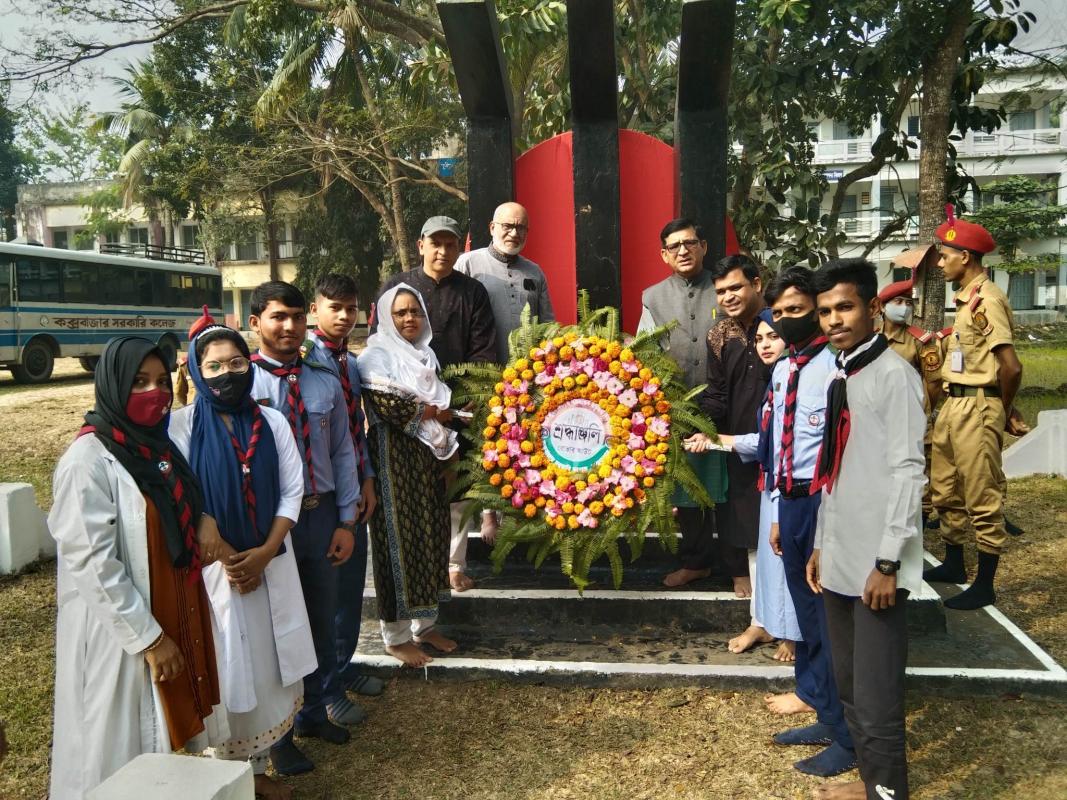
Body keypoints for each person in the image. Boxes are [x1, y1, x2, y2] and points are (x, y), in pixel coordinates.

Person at [48, 336, 228, 799]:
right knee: (115, 749)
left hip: (172, 603)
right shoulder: (87, 462)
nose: (155, 393)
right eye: (139, 382)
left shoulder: (157, 449)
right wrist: (149, 638)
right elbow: (92, 563)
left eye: (162, 381)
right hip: (123, 634)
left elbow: (176, 503)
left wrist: (203, 518)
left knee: (159, 740)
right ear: (112, 385)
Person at [171, 318, 316, 800]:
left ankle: (257, 770)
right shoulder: (181, 426)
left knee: (268, 666)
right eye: (214, 366)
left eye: (236, 363)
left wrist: (266, 553)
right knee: (229, 664)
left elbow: (292, 490)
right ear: (197, 371)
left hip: (271, 563)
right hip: (218, 572)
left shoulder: (272, 422)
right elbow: (181, 497)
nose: (226, 374)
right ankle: (231, 774)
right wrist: (232, 558)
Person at [806, 258, 926, 800]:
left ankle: (887, 791)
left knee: (877, 691)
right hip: (840, 552)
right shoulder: (844, 371)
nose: (834, 319)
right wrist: (820, 544)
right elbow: (837, 472)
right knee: (851, 681)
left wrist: (888, 561)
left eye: (845, 307)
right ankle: (870, 778)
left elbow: (908, 472)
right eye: (825, 311)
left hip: (877, 562)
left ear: (873, 307)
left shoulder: (893, 376)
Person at [248, 281, 361, 776]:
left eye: (296, 317)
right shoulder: (244, 383)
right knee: (277, 626)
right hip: (273, 522)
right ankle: (279, 735)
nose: (290, 327)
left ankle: (313, 713)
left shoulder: (323, 380)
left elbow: (343, 452)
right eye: (278, 317)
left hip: (322, 515)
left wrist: (347, 519)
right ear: (256, 323)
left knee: (320, 616)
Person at [762, 267, 856, 778]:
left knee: (828, 616)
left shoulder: (836, 367)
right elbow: (782, 444)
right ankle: (820, 705)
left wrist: (824, 520)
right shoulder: (784, 368)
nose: (785, 321)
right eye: (778, 313)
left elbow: (839, 449)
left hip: (824, 501)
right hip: (792, 502)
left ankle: (847, 732)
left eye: (796, 310)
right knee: (806, 614)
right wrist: (780, 508)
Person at [378, 216, 497, 592]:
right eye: (436, 243)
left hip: (458, 408)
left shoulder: (472, 292)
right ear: (421, 246)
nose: (443, 251)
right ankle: (417, 566)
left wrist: (466, 402)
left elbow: (483, 351)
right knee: (412, 492)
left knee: (456, 492)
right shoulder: (397, 288)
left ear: (458, 247)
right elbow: (382, 345)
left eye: (450, 244)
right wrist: (409, 402)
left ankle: (453, 565)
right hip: (409, 408)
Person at [923, 208, 1026, 610]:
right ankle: (953, 563)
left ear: (965, 257)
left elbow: (1010, 366)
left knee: (982, 496)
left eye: (945, 256)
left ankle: (985, 584)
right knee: (945, 488)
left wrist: (1004, 408)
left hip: (979, 406)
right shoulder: (966, 301)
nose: (941, 263)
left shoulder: (987, 300)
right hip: (955, 403)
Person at [359, 283, 459, 667]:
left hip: (427, 458)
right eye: (400, 313)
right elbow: (391, 406)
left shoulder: (425, 356)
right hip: (393, 460)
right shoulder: (376, 355)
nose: (409, 318)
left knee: (431, 538)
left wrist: (440, 413)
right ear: (387, 317)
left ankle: (425, 626)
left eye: (415, 311)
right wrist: (434, 411)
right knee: (398, 542)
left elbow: (436, 404)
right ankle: (396, 637)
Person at [306, 274, 385, 720]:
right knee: (326, 592)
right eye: (334, 307)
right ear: (315, 309)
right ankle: (325, 689)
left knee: (351, 586)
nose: (343, 316)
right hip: (322, 494)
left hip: (354, 488)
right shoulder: (305, 363)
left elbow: (356, 430)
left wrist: (368, 478)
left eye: (350, 308)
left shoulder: (350, 364)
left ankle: (343, 663)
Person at [638, 219, 728, 590]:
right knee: (690, 488)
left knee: (733, 485)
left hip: (729, 401)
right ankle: (696, 562)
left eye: (689, 243)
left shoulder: (724, 287)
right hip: (679, 406)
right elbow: (645, 353)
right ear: (664, 255)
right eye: (674, 246)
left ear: (703, 246)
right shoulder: (653, 297)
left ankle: (738, 564)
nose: (682, 251)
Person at [713, 310, 802, 664]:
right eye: (759, 339)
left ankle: (793, 634)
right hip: (771, 481)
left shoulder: (797, 374)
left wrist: (723, 441)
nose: (765, 345)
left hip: (791, 483)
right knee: (767, 558)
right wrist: (717, 440)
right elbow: (767, 439)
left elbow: (780, 442)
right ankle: (763, 623)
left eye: (773, 337)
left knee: (787, 558)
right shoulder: (777, 375)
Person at [696, 254, 766, 607]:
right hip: (734, 433)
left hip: (779, 433)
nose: (728, 297)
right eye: (721, 291)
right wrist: (701, 429)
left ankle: (773, 574)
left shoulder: (777, 327)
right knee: (735, 501)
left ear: (757, 284)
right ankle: (738, 569)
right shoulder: (720, 334)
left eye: (735, 287)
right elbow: (717, 391)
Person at [455, 201, 556, 363]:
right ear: (492, 228)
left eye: (520, 228)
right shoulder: (467, 264)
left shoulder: (535, 272)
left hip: (527, 370)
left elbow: (548, 325)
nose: (514, 234)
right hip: (481, 370)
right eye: (507, 226)